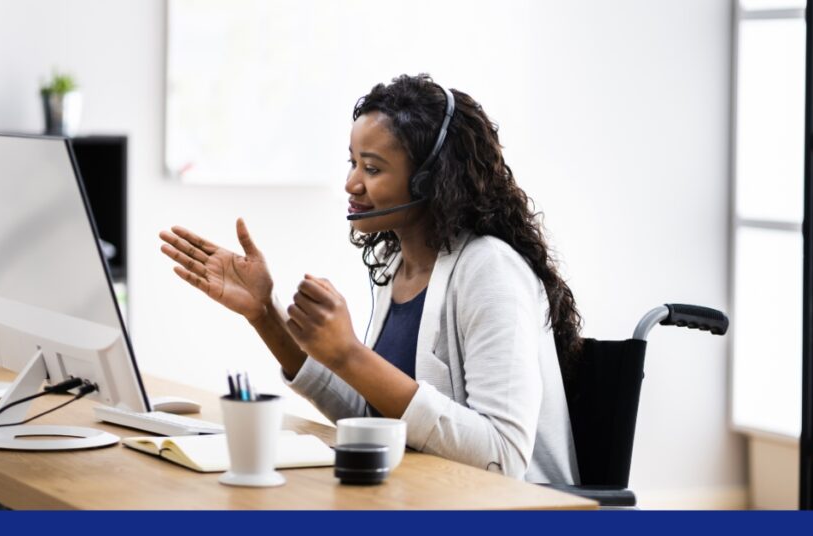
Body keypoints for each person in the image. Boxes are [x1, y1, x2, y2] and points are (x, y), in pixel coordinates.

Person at [159, 74, 580, 484]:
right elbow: (372, 418)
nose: (351, 183)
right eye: (353, 162)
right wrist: (264, 313)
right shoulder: (396, 266)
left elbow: (502, 458)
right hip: (424, 499)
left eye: (372, 169)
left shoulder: (490, 270)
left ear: (429, 181)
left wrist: (349, 355)